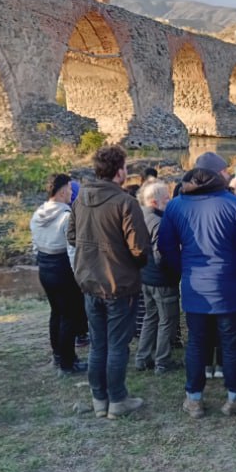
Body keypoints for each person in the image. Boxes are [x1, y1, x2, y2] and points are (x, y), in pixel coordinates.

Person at [158, 151, 236, 419]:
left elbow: (166, 246)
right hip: (230, 285)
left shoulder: (175, 205)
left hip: (194, 285)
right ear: (216, 175)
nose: (229, 173)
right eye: (225, 170)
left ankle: (194, 398)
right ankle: (234, 394)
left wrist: (184, 270)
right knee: (231, 343)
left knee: (196, 342)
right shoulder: (235, 204)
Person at [67, 145, 150, 420]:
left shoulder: (80, 200)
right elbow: (139, 249)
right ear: (119, 171)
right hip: (119, 284)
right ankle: (117, 400)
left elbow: (71, 237)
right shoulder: (125, 202)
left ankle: (99, 399)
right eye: (125, 166)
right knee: (116, 345)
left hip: (89, 282)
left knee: (98, 344)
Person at [30, 174, 87, 376]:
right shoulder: (67, 217)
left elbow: (34, 244)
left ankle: (57, 355)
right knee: (69, 316)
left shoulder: (38, 213)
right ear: (62, 191)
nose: (72, 194)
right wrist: (79, 276)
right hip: (63, 269)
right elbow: (72, 250)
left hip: (45, 268)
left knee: (56, 313)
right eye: (70, 191)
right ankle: (68, 362)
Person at [135, 181, 180, 375]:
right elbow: (161, 254)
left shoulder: (139, 216)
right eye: (166, 199)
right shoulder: (158, 222)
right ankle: (162, 361)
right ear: (155, 202)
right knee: (167, 320)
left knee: (150, 317)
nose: (169, 202)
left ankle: (142, 357)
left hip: (145, 277)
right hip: (161, 280)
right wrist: (174, 269)